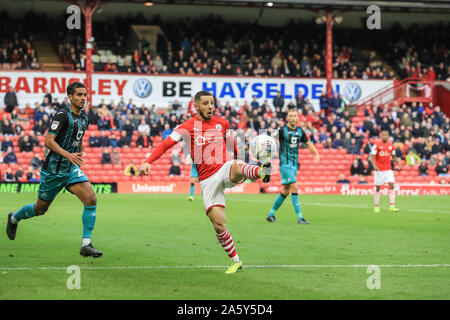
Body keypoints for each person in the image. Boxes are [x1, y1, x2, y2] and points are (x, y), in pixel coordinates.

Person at [138, 91, 272, 274]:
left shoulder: (222, 123)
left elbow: (232, 144)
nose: (211, 106)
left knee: (237, 165)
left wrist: (244, 159)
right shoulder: (186, 127)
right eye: (206, 103)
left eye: (212, 103)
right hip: (207, 180)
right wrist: (148, 161)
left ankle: (262, 171)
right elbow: (165, 144)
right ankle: (236, 261)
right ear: (196, 106)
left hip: (224, 168)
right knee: (219, 224)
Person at [6, 82, 102, 258]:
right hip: (53, 170)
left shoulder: (84, 118)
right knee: (40, 209)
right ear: (70, 97)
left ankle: (86, 245)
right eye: (79, 95)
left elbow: (78, 138)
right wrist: (68, 155)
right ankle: (14, 218)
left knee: (91, 198)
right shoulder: (62, 115)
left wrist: (78, 154)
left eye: (84, 95)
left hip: (70, 168)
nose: (83, 98)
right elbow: (49, 141)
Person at [266, 109, 320, 225]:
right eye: (291, 116)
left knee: (285, 190)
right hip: (285, 164)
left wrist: (316, 153)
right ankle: (300, 217)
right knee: (294, 187)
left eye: (295, 116)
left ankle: (271, 214)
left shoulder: (300, 131)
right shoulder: (281, 130)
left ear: (298, 118)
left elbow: (308, 143)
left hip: (294, 164)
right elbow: (272, 142)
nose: (293, 118)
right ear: (287, 118)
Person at [368, 130, 402, 213]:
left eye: (386, 135)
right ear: (381, 136)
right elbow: (372, 157)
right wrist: (374, 166)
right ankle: (376, 206)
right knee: (378, 187)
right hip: (379, 170)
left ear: (388, 136)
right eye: (383, 135)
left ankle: (392, 206)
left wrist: (398, 163)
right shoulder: (377, 145)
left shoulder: (391, 145)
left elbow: (393, 157)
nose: (384, 136)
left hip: (388, 169)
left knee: (391, 184)